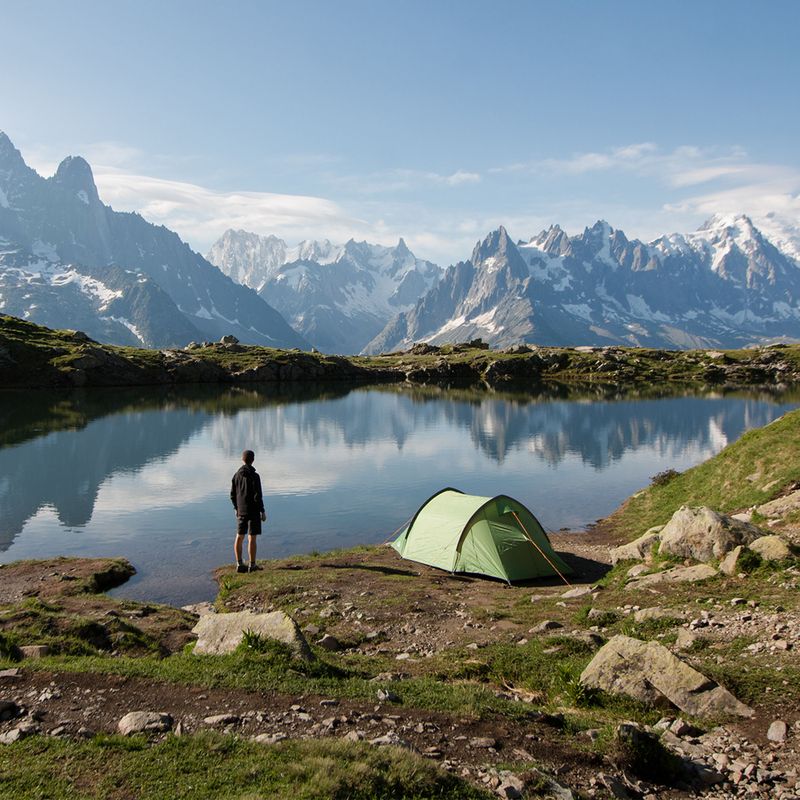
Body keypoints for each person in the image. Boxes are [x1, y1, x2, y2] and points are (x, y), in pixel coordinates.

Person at [230, 449, 266, 573]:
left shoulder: (236, 475)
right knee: (252, 538)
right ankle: (252, 565)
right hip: (253, 511)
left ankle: (239, 564)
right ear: (253, 460)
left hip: (241, 511)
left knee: (239, 536)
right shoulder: (255, 476)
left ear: (242, 459)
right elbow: (258, 496)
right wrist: (262, 511)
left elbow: (232, 495)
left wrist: (236, 508)